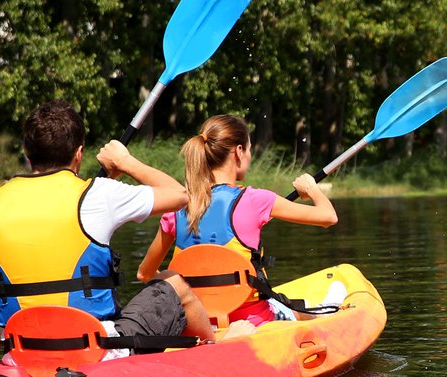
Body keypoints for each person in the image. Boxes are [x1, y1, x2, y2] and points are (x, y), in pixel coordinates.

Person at [0, 99, 216, 358]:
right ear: (79, 154)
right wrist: (125, 162)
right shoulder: (99, 195)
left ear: (28, 156)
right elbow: (180, 195)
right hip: (95, 351)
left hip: (24, 354)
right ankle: (216, 352)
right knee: (173, 282)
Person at [135, 114, 337, 331]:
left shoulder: (175, 208)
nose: (249, 157)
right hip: (254, 320)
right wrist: (311, 189)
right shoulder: (256, 200)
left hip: (198, 325)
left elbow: (144, 274)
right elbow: (328, 217)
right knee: (305, 311)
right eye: (249, 150)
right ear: (238, 152)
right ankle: (331, 307)